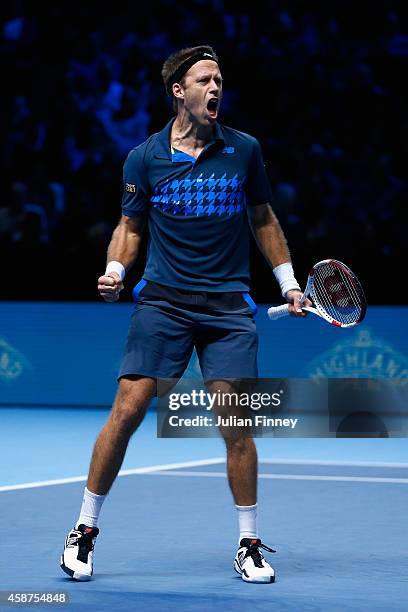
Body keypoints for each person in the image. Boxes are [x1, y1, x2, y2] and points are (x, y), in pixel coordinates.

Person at [60, 45, 307, 584]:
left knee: (235, 424)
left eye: (220, 80)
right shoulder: (144, 157)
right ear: (180, 91)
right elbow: (130, 227)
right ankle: (83, 529)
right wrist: (116, 272)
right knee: (126, 411)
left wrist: (288, 283)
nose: (216, 88)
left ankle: (248, 542)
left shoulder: (244, 151)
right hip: (164, 303)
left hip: (227, 309)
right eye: (205, 80)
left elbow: (263, 219)